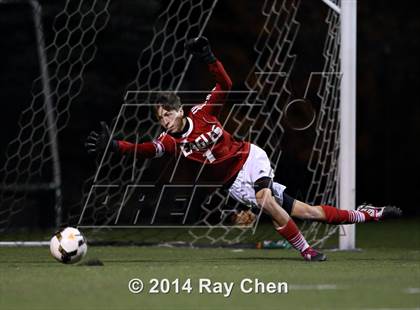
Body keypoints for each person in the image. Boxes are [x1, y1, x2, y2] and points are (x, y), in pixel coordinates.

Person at [85, 36, 402, 261]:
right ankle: (367, 214)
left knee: (265, 199)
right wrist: (115, 146)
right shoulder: (169, 141)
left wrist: (209, 58)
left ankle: (305, 249)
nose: (164, 120)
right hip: (234, 184)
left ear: (179, 110)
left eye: (167, 114)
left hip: (250, 158)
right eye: (160, 117)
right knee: (309, 212)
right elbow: (143, 149)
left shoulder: (203, 112)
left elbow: (225, 84)